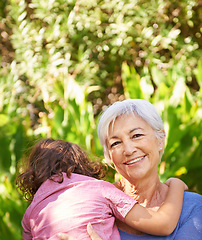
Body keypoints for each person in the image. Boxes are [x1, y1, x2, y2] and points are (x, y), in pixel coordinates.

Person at [16, 138, 186, 240]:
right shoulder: (100, 189)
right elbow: (163, 224)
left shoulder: (31, 212)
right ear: (83, 165)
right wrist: (176, 185)